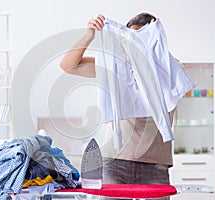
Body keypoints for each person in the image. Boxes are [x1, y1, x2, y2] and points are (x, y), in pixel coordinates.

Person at [60, 13, 191, 200]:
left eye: (141, 39)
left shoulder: (171, 69)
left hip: (156, 165)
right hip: (115, 161)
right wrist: (89, 35)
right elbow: (68, 65)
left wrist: (156, 39)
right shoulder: (115, 68)